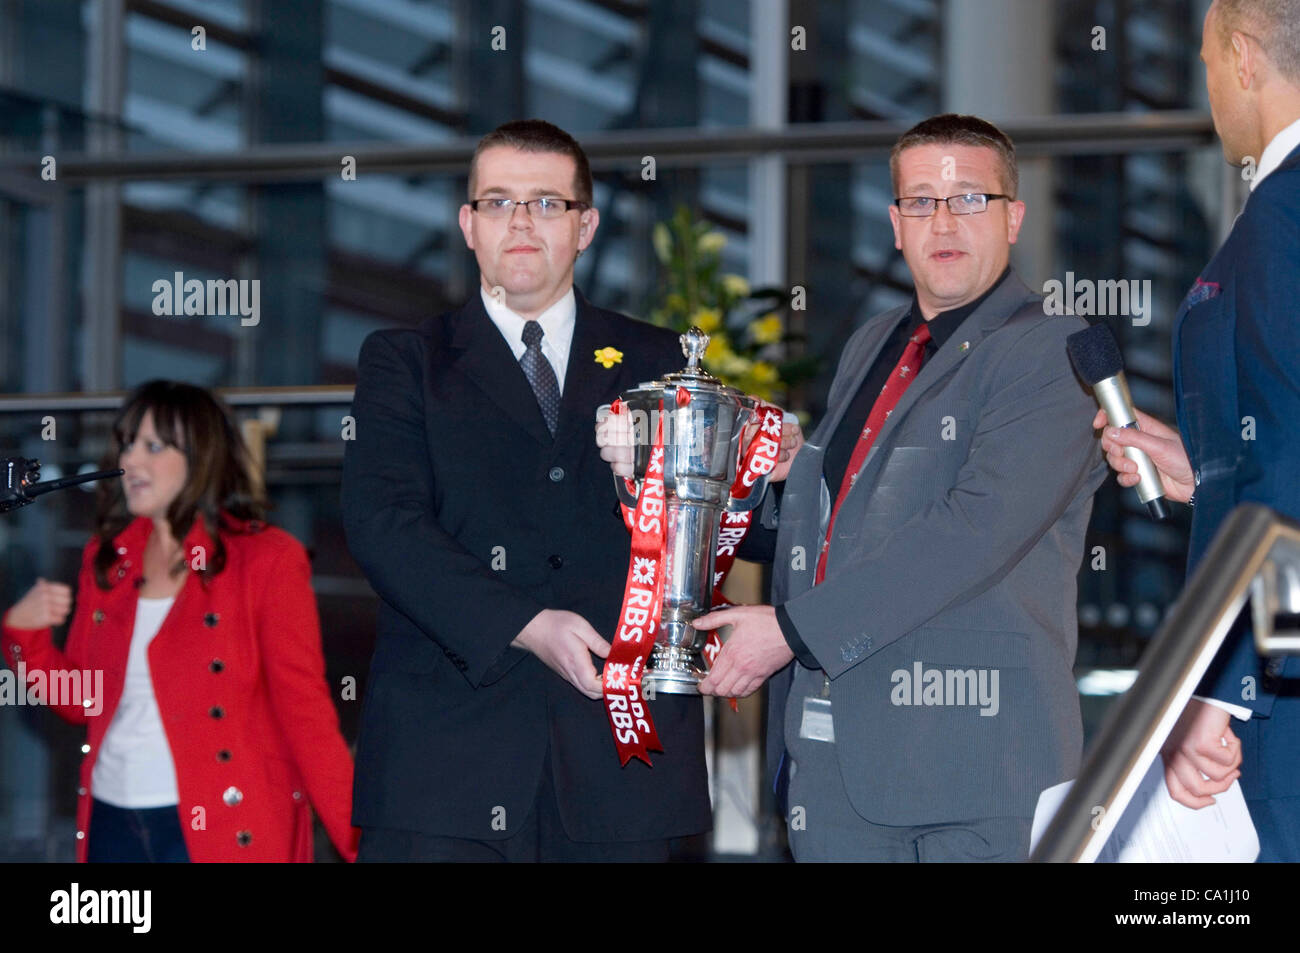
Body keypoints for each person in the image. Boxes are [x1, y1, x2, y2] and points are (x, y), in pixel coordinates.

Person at [677, 115, 1106, 861]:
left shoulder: (1050, 346)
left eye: (969, 198)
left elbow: (973, 531)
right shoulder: (873, 342)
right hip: (835, 773)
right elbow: (837, 527)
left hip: (972, 776)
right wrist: (710, 486)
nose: (944, 220)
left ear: (1014, 217)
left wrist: (792, 630)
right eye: (921, 201)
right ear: (895, 224)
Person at [342, 119, 722, 861]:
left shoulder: (665, 361)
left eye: (547, 204)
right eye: (498, 203)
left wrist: (767, 474)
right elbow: (384, 525)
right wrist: (526, 623)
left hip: (623, 773)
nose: (521, 222)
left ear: (585, 227)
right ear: (468, 225)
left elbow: (730, 527)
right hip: (442, 774)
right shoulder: (403, 360)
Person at [1096, 0, 1300, 862]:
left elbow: (1289, 478)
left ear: (1245, 59)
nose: (1207, 87)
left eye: (1209, 63)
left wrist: (1228, 689)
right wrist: (1202, 464)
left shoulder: (1282, 221)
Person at [1, 380, 358, 862]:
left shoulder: (267, 560)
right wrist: (25, 638)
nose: (131, 461)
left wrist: (360, 844)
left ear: (200, 456)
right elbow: (86, 699)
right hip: (111, 817)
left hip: (224, 826)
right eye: (126, 442)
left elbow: (306, 715)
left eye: (153, 445)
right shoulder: (109, 558)